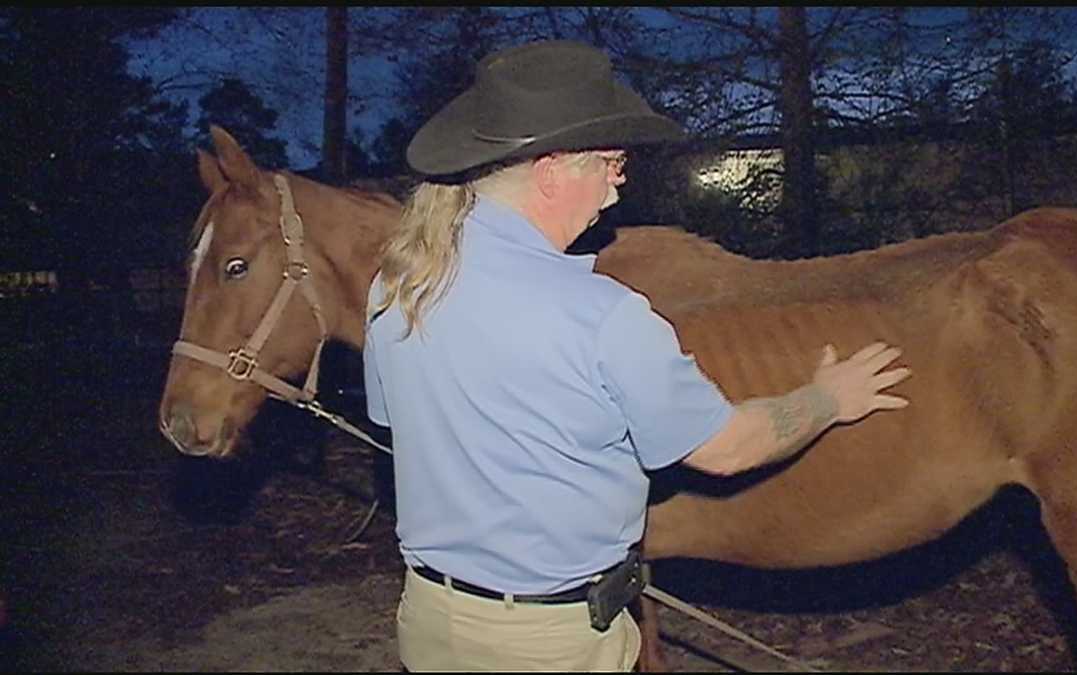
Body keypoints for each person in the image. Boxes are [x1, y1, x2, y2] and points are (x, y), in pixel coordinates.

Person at [363, 39, 911, 672]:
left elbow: (406, 427)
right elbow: (728, 449)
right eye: (612, 161)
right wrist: (827, 399)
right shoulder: (602, 315)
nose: (619, 181)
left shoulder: (399, 286)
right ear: (552, 171)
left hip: (432, 624)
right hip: (549, 648)